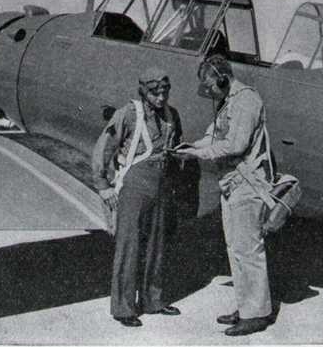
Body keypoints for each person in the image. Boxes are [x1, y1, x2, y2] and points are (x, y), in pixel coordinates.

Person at [176, 54, 274, 336]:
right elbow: (213, 136)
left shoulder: (246, 101)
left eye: (210, 86)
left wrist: (199, 153)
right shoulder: (227, 101)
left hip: (248, 184)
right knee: (235, 248)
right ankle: (247, 306)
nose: (208, 92)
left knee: (248, 249)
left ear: (223, 78)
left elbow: (234, 145)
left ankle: (257, 314)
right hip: (231, 184)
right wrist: (191, 147)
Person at [92, 67, 182, 327]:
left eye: (165, 92)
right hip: (134, 184)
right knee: (129, 247)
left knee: (157, 245)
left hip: (162, 184)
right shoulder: (128, 114)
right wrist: (103, 185)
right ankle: (123, 308)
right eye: (155, 93)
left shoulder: (171, 115)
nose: (161, 98)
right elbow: (104, 149)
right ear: (144, 91)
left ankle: (154, 300)